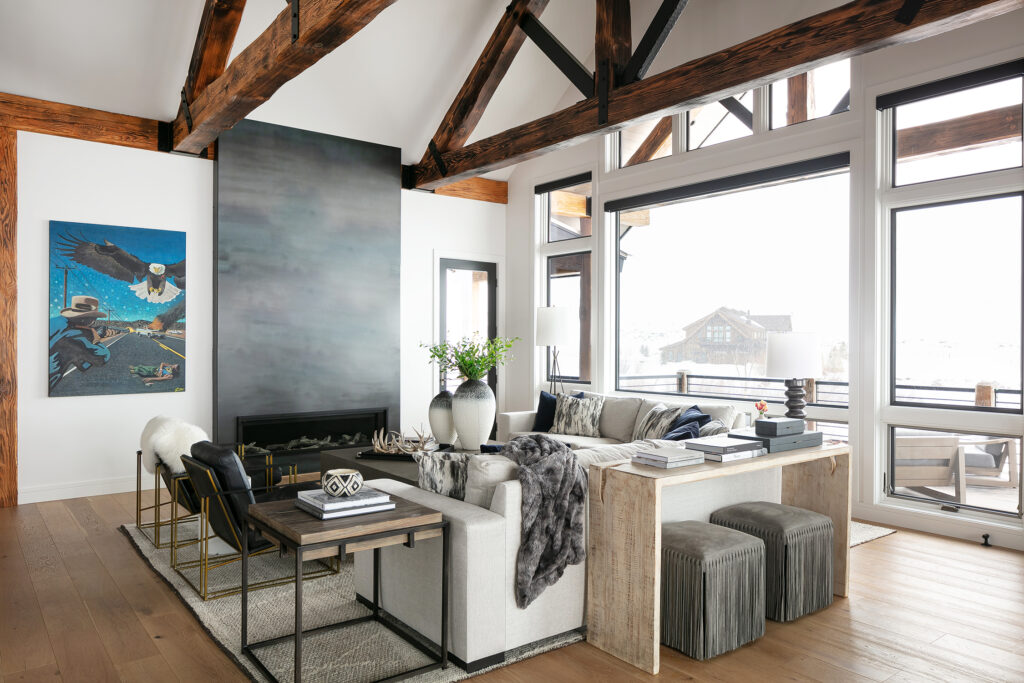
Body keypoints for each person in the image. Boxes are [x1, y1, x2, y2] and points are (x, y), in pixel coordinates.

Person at [48, 296, 111, 392]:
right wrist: (96, 340)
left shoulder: (52, 322)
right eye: (94, 318)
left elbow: (80, 363)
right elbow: (102, 357)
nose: (94, 322)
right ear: (88, 319)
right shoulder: (76, 336)